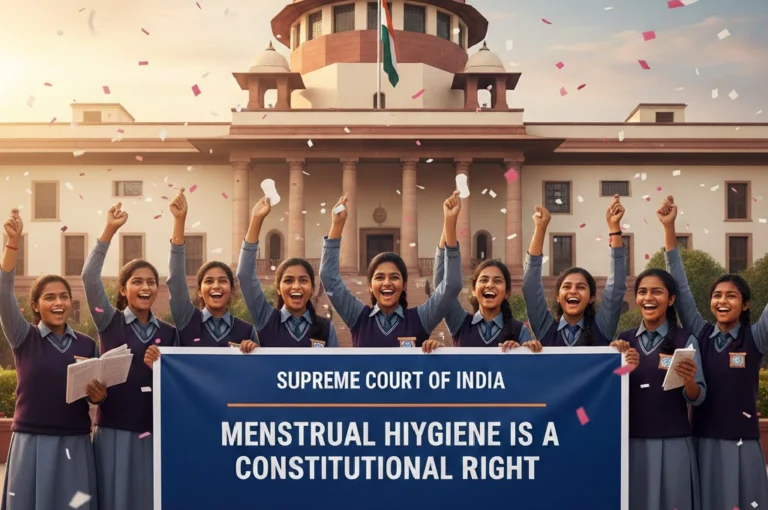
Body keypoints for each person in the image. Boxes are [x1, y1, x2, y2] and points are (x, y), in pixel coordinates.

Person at [659, 195, 768, 510]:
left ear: (745, 304)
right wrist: (670, 228)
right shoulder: (700, 333)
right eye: (717, 295)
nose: (722, 301)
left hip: (744, 444)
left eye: (731, 296)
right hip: (703, 442)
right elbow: (678, 285)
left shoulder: (755, 337)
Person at [0, 208, 103, 510]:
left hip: (75, 440)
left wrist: (99, 396)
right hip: (31, 441)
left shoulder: (87, 343)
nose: (58, 303)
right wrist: (12, 244)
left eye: (63, 297)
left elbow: (97, 396)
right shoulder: (23, 337)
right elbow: (3, 292)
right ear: (35, 305)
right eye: (49, 297)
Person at [82, 202, 177, 510]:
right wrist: (109, 230)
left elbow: (179, 384)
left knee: (151, 501)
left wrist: (162, 369)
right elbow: (89, 278)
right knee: (115, 500)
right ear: (123, 289)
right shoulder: (108, 321)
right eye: (137, 281)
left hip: (154, 434)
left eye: (151, 282)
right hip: (114, 432)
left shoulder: (170, 333)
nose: (145, 287)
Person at [319, 192, 462, 349]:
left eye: (394, 277)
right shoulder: (358, 317)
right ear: (369, 285)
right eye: (379, 277)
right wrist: (337, 226)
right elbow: (328, 277)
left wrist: (450, 222)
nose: (387, 283)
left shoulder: (421, 318)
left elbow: (451, 285)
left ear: (404, 284)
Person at [616, 268, 705, 510]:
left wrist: (688, 380)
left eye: (657, 292)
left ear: (671, 299)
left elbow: (698, 397)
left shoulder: (686, 340)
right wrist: (624, 368)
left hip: (673, 442)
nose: (649, 298)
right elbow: (611, 391)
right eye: (643, 292)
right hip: (632, 442)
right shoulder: (624, 341)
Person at [147, 188, 256, 360]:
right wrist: (179, 220)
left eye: (222, 281)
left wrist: (254, 352)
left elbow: (257, 373)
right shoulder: (186, 320)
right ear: (199, 290)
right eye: (209, 281)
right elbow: (176, 280)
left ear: (231, 288)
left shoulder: (246, 331)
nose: (216, 286)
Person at [522, 195, 627, 346]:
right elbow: (530, 288)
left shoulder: (602, 328)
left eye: (581, 287)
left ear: (591, 297)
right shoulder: (545, 329)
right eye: (566, 286)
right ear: (558, 297)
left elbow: (616, 287)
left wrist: (614, 228)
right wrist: (540, 228)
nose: (573, 291)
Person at [237, 196, 339, 350]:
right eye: (289, 280)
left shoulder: (326, 329)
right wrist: (256, 219)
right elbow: (245, 275)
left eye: (303, 280)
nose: (296, 286)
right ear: (278, 288)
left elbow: (334, 370)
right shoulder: (266, 318)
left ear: (312, 288)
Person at [426, 229, 541, 353]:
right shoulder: (459, 322)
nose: (490, 285)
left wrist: (525, 349)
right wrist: (449, 221)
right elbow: (442, 287)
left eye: (497, 281)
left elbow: (527, 370)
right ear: (474, 290)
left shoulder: (519, 330)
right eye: (484, 280)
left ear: (507, 293)